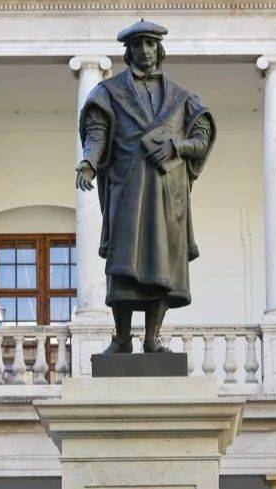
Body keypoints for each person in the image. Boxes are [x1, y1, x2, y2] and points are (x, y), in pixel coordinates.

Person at [76, 19, 216, 353]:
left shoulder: (182, 99)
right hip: (127, 190)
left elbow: (203, 137)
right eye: (137, 45)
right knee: (123, 267)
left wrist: (177, 147)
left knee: (163, 265)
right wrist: (89, 162)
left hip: (168, 195)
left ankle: (153, 338)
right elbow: (97, 132)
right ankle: (122, 338)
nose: (144, 50)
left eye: (150, 44)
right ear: (128, 51)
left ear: (159, 49)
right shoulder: (108, 92)